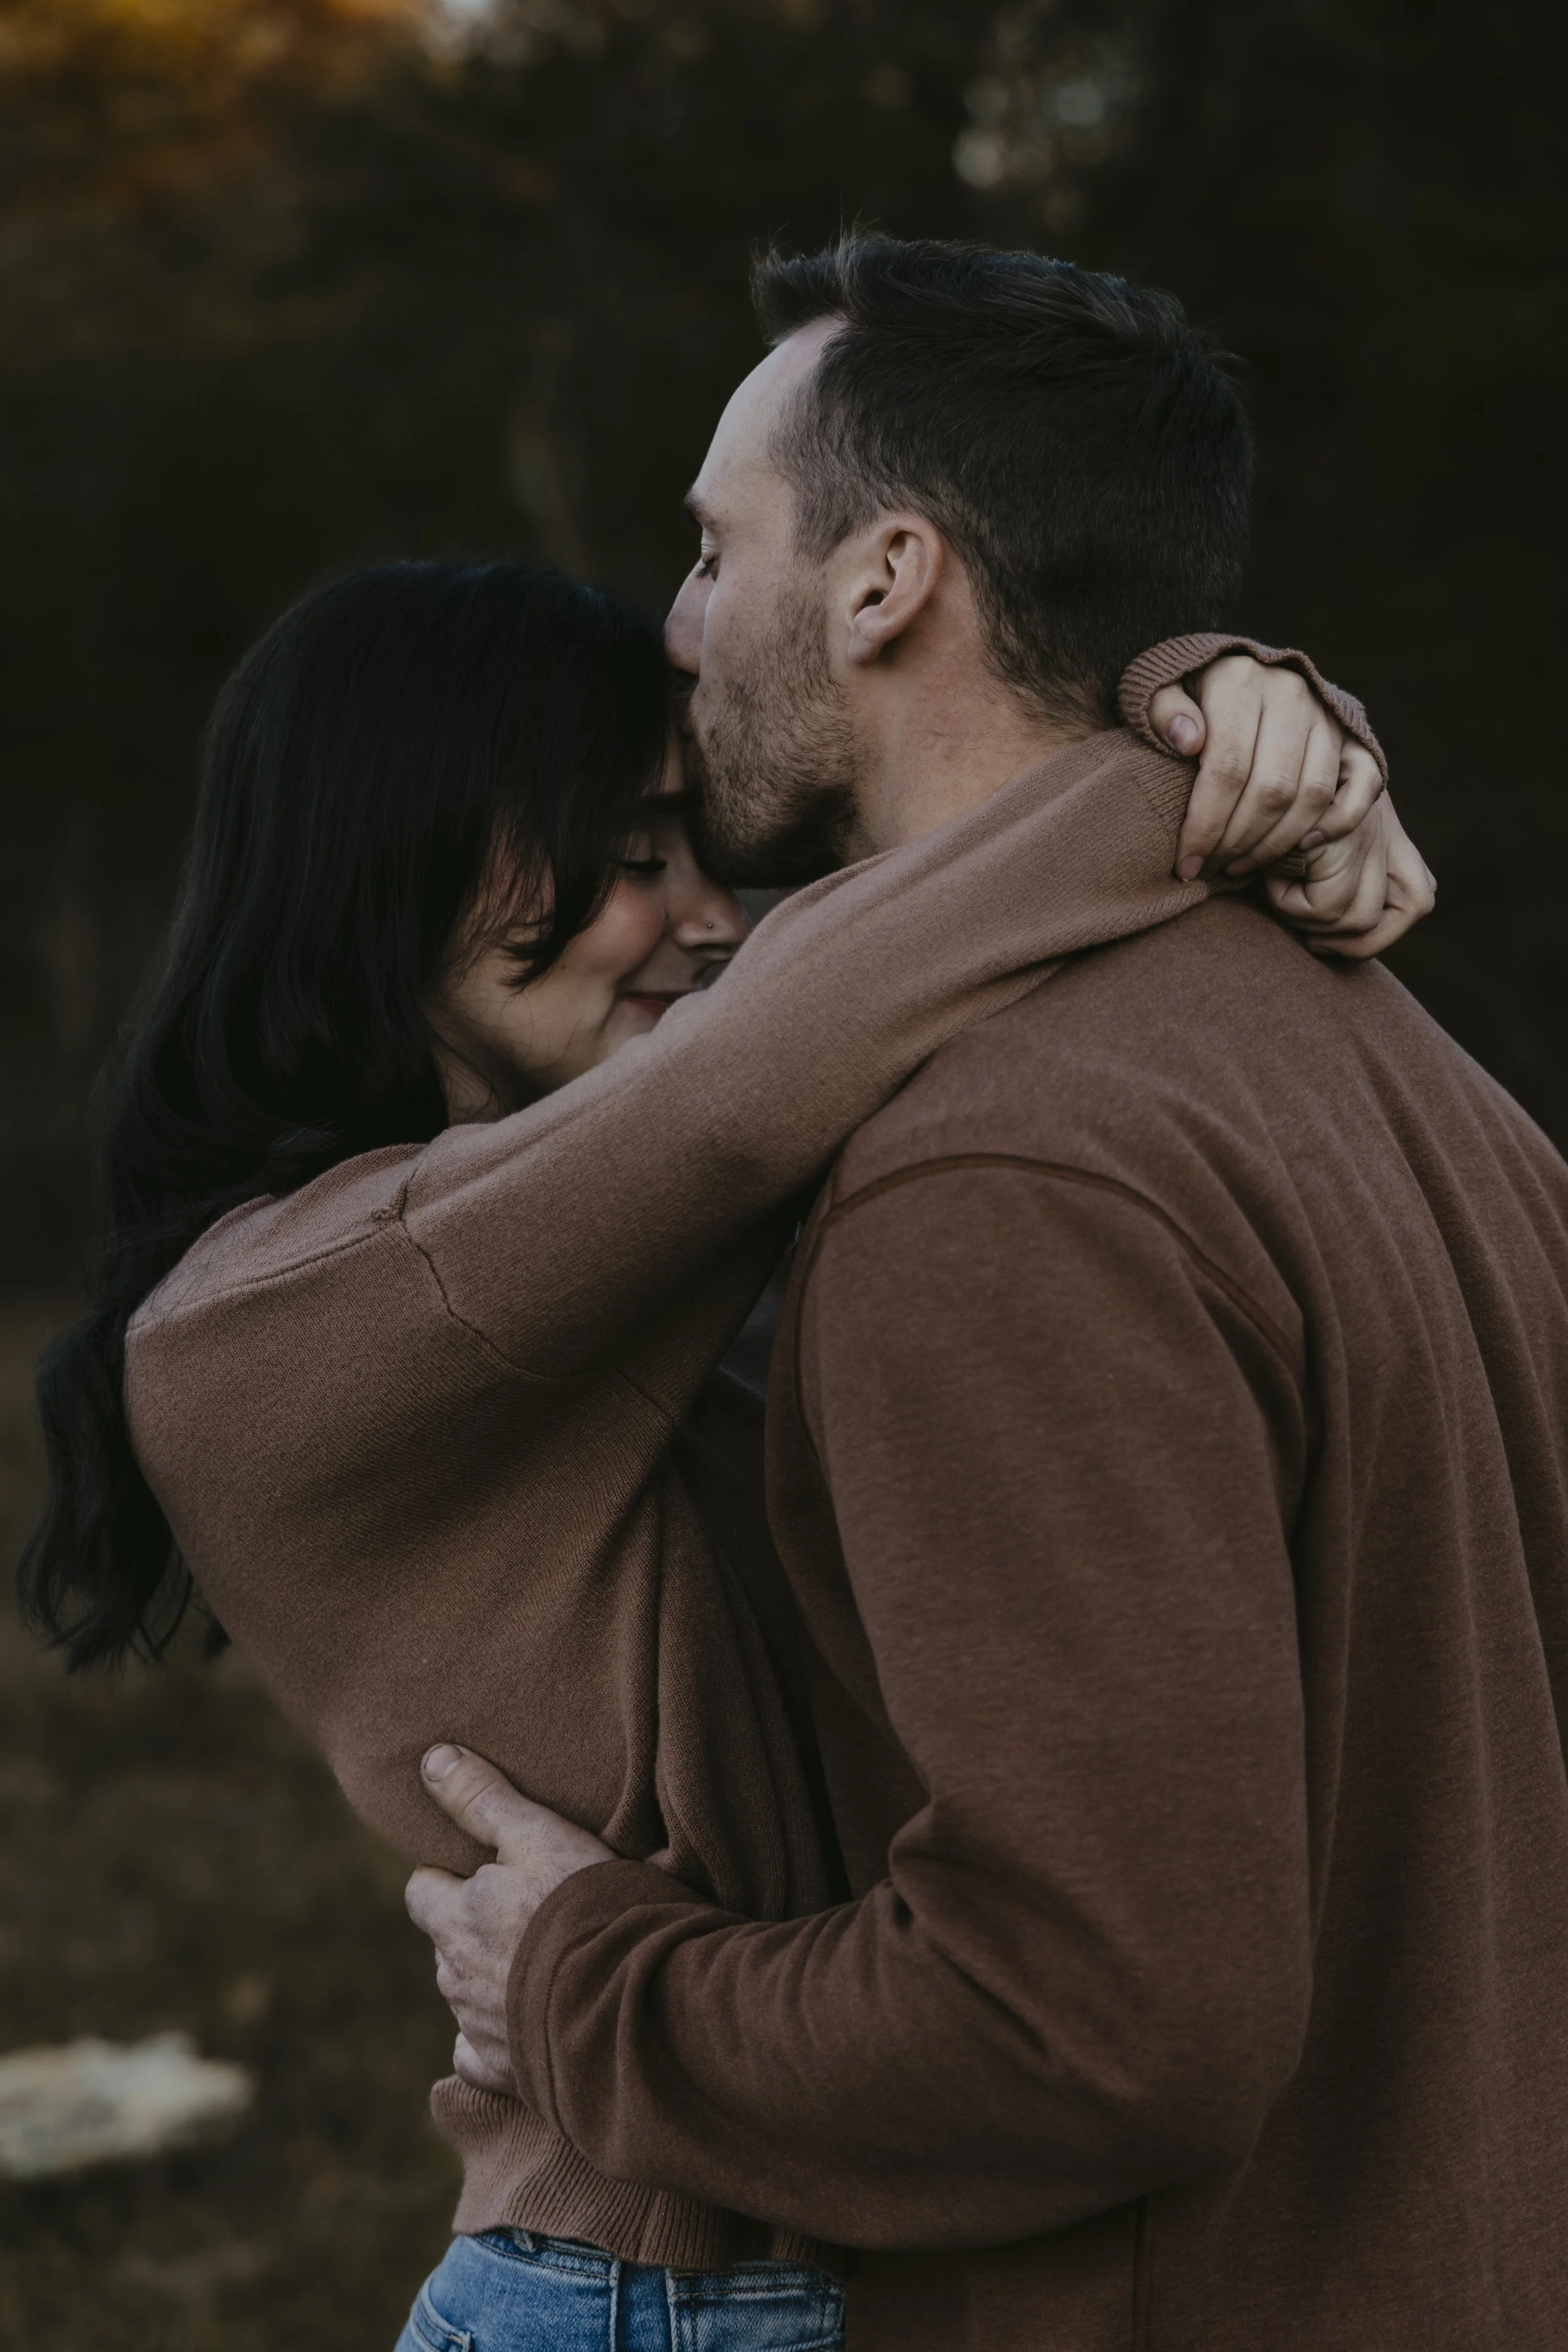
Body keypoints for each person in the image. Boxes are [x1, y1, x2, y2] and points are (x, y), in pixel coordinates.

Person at [406, 234, 1568, 2352]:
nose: (673, 633)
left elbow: (1097, 2016)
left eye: (708, 549)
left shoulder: (994, 1167)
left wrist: (583, 1975)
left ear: (884, 581)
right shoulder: (1424, 1079)